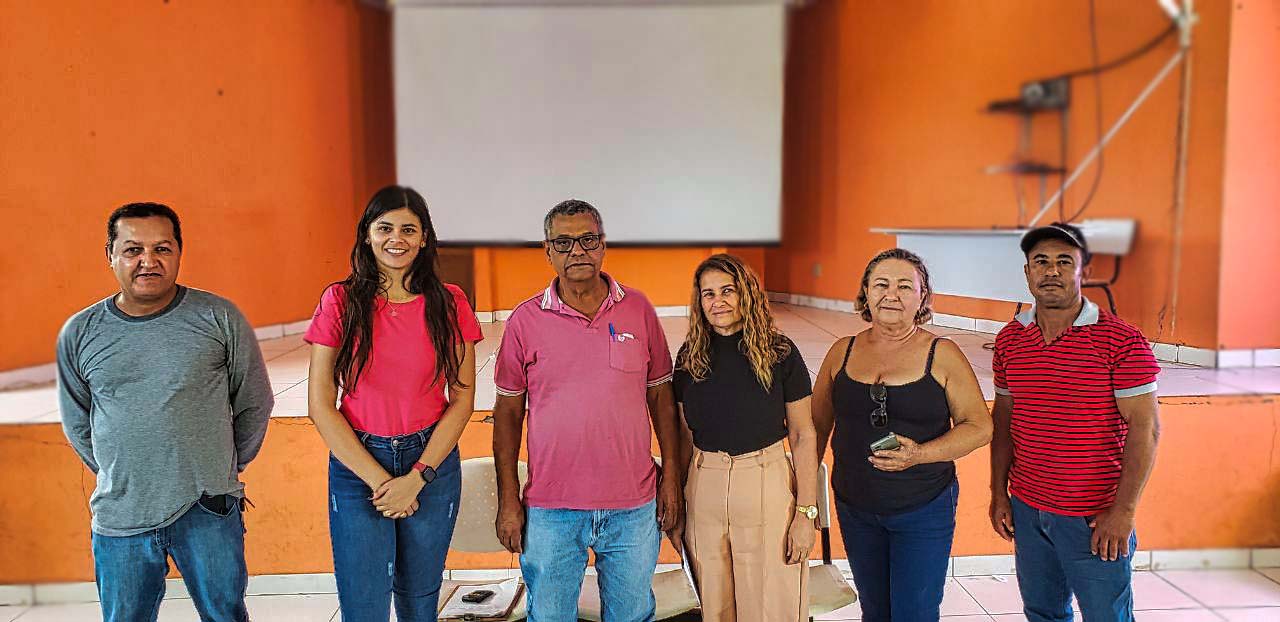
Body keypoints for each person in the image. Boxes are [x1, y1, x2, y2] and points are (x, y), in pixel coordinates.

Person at [57, 202, 273, 622]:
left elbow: (254, 401)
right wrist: (121, 471)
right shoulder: (80, 332)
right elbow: (78, 422)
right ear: (111, 254)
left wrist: (223, 467)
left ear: (179, 252)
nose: (148, 261)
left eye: (162, 249)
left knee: (225, 614)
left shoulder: (218, 317)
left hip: (207, 507)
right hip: (122, 513)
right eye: (133, 249)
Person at [491, 199, 683, 622]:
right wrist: (509, 497)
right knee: (550, 617)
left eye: (587, 239)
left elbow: (661, 401)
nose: (576, 251)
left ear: (603, 245)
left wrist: (671, 478)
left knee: (632, 616)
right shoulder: (524, 321)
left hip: (633, 506)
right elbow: (507, 415)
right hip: (551, 508)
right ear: (548, 251)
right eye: (563, 242)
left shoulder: (639, 310)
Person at [305, 185, 482, 620]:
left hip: (431, 462)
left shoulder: (449, 302)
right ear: (367, 234)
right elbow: (321, 403)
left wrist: (417, 477)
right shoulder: (340, 302)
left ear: (424, 238)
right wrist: (382, 482)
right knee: (363, 603)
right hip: (358, 463)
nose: (396, 238)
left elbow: (462, 398)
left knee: (420, 598)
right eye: (384, 228)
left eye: (408, 229)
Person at [989, 222, 1160, 622]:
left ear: (1085, 271)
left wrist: (1124, 512)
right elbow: (1004, 422)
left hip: (1092, 515)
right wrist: (1000, 493)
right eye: (1041, 262)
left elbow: (1146, 429)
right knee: (1043, 612)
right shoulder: (1010, 339)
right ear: (1027, 272)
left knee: (1106, 616)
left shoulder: (1121, 341)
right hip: (1028, 510)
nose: (1051, 271)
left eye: (1064, 261)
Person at [812, 248, 992, 622]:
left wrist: (920, 454)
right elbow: (814, 429)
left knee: (915, 614)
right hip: (854, 505)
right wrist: (802, 497)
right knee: (875, 612)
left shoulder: (942, 354)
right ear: (865, 292)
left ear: (922, 297)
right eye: (881, 284)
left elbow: (979, 426)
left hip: (923, 508)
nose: (891, 294)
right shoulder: (840, 352)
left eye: (904, 286)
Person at [672, 253, 818, 621]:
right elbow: (684, 435)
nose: (717, 301)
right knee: (715, 603)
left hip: (764, 479)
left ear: (747, 294)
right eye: (708, 294)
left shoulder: (780, 353)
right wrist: (678, 498)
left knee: (769, 603)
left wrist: (806, 513)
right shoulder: (690, 357)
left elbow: (802, 434)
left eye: (727, 290)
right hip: (705, 483)